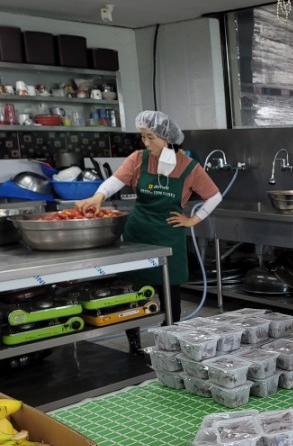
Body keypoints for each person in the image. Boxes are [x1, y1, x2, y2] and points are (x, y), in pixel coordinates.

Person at [75, 110, 222, 354]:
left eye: (150, 137)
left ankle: (169, 345)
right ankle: (134, 346)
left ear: (167, 138)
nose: (146, 143)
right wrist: (98, 196)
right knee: (131, 295)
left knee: (170, 294)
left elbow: (214, 196)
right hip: (138, 234)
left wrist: (193, 219)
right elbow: (115, 181)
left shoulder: (188, 167)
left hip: (169, 236)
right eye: (143, 137)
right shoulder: (138, 159)